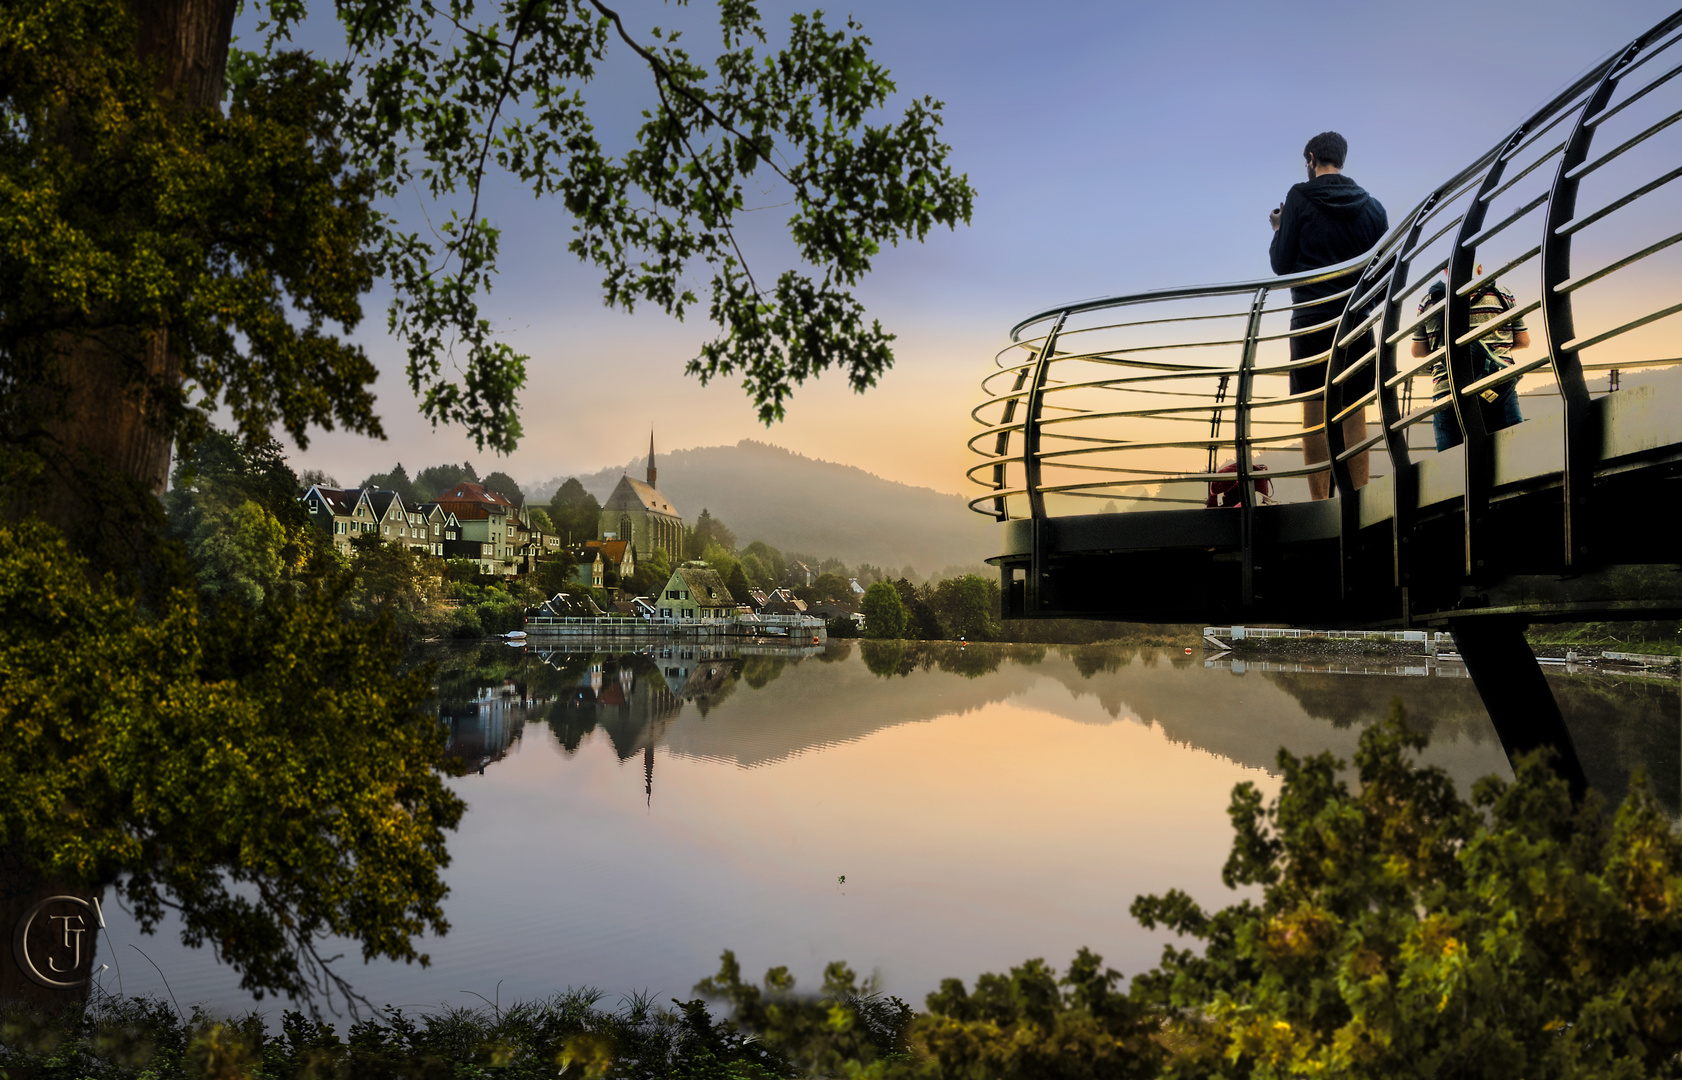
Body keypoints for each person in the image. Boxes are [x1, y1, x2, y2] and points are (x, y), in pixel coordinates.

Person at [1269, 131, 1389, 500]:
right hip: (1356, 320)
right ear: (1343, 159)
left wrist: (1279, 228)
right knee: (1355, 414)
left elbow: (1280, 263)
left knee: (1314, 415)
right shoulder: (1372, 207)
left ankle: (1320, 503)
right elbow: (1384, 278)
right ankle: (1361, 501)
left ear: (1310, 157)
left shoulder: (1298, 198)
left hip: (1311, 320)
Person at [1410, 269, 1530, 449]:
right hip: (1497, 386)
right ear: (1480, 269)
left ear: (1446, 271)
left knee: (1453, 465)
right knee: (1511, 458)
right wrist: (1493, 348)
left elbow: (1418, 351)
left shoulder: (1430, 301)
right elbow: (1523, 340)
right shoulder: (1503, 293)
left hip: (1448, 390)